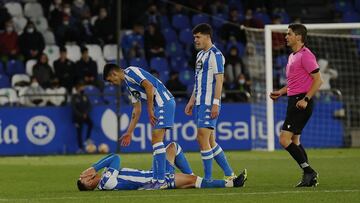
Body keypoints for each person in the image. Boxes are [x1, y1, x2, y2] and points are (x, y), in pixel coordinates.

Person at [103, 63, 176, 189]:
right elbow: (136, 110)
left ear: (114, 74)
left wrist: (150, 110)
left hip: (163, 102)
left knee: (156, 139)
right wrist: (129, 132)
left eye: (111, 80)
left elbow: (149, 86)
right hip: (160, 105)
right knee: (156, 139)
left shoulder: (131, 71)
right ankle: (158, 179)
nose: (112, 83)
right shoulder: (129, 86)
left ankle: (160, 180)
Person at [270, 24, 323, 187]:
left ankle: (309, 172)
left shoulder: (306, 55)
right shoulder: (293, 56)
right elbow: (295, 83)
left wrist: (305, 99)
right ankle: (309, 177)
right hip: (294, 99)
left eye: (289, 34)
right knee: (295, 140)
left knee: (284, 140)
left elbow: (318, 80)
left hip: (301, 102)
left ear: (299, 37)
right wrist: (281, 91)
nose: (286, 37)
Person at [185, 23, 237, 181]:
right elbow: (198, 81)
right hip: (200, 102)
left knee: (201, 137)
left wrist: (216, 103)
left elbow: (219, 81)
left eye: (198, 37)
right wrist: (191, 101)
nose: (195, 40)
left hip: (209, 102)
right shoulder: (200, 55)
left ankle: (208, 178)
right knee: (210, 140)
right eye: (194, 37)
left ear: (208, 36)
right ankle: (229, 174)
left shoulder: (216, 55)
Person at [77, 142, 247, 191]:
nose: (83, 175)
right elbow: (115, 158)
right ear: (89, 183)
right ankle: (233, 183)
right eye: (83, 178)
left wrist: (95, 168)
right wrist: (94, 167)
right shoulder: (105, 182)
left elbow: (113, 159)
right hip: (156, 181)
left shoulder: (105, 176)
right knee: (194, 180)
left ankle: (192, 178)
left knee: (172, 147)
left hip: (155, 173)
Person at [71, 81, 93, 153]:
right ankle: (80, 148)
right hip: (78, 117)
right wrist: (81, 114)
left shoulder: (85, 96)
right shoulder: (74, 97)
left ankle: (87, 139)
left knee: (91, 124)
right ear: (78, 88)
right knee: (79, 132)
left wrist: (86, 113)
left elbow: (89, 105)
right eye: (81, 87)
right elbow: (74, 108)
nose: (83, 88)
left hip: (85, 115)